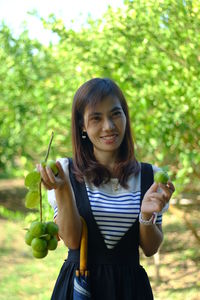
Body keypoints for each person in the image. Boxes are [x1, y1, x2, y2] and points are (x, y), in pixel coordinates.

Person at [38, 78, 175, 299]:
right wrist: (63, 189)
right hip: (80, 289)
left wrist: (146, 215)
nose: (109, 126)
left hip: (130, 290)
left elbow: (150, 249)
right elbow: (72, 241)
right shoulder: (64, 171)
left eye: (115, 114)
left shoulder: (149, 176)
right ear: (82, 125)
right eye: (96, 118)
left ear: (125, 117)